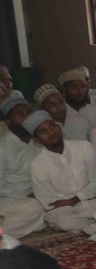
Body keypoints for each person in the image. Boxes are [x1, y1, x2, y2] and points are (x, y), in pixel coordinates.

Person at [26, 111, 96, 234]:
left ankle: (94, 224)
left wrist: (75, 199)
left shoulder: (84, 147)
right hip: (66, 210)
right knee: (63, 221)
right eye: (43, 131)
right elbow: (49, 201)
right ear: (36, 139)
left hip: (92, 200)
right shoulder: (37, 164)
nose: (51, 132)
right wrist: (72, 203)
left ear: (58, 126)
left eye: (52, 126)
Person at [0, 95, 45, 237]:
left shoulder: (38, 141)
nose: (27, 119)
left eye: (28, 113)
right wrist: (26, 196)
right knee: (35, 208)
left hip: (39, 195)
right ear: (8, 122)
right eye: (20, 114)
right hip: (11, 201)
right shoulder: (3, 148)